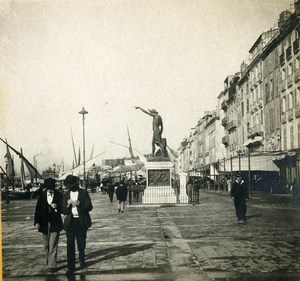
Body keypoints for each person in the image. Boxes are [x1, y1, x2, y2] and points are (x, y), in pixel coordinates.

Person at [62, 175, 93, 278]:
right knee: (70, 245)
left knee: (81, 243)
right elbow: (64, 210)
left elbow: (89, 206)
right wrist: (67, 205)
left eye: (72, 185)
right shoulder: (66, 194)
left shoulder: (83, 192)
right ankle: (71, 266)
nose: (71, 187)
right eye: (69, 186)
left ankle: (82, 260)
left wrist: (80, 204)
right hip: (70, 222)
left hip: (81, 222)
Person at [34, 178, 63, 273]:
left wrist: (57, 207)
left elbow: (63, 209)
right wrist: (37, 222)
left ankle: (52, 265)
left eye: (52, 188)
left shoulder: (59, 195)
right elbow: (37, 209)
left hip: (55, 222)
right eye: (48, 188)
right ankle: (48, 259)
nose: (50, 190)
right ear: (46, 188)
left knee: (53, 244)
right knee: (46, 244)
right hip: (44, 223)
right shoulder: (41, 196)